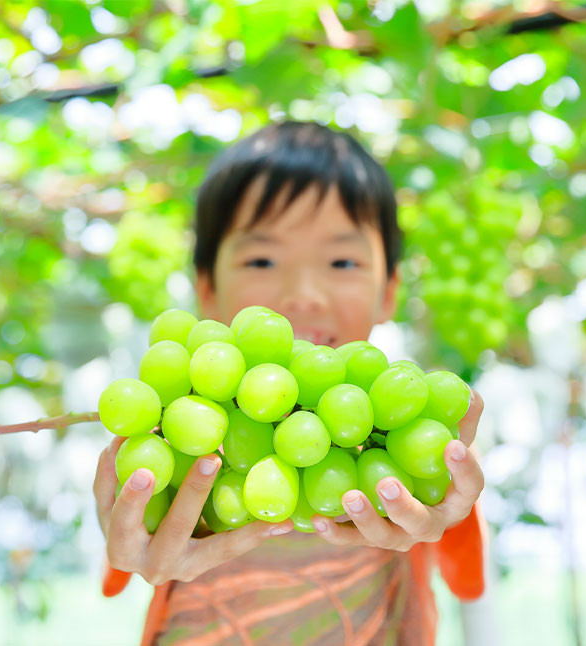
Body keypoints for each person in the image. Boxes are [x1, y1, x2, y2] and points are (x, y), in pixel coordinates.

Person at [92, 121, 487, 645]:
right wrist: (135, 535)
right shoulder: (178, 436)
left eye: (342, 261)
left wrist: (447, 504)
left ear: (388, 290)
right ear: (206, 288)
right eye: (263, 259)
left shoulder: (401, 443)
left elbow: (467, 575)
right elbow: (129, 555)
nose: (302, 294)